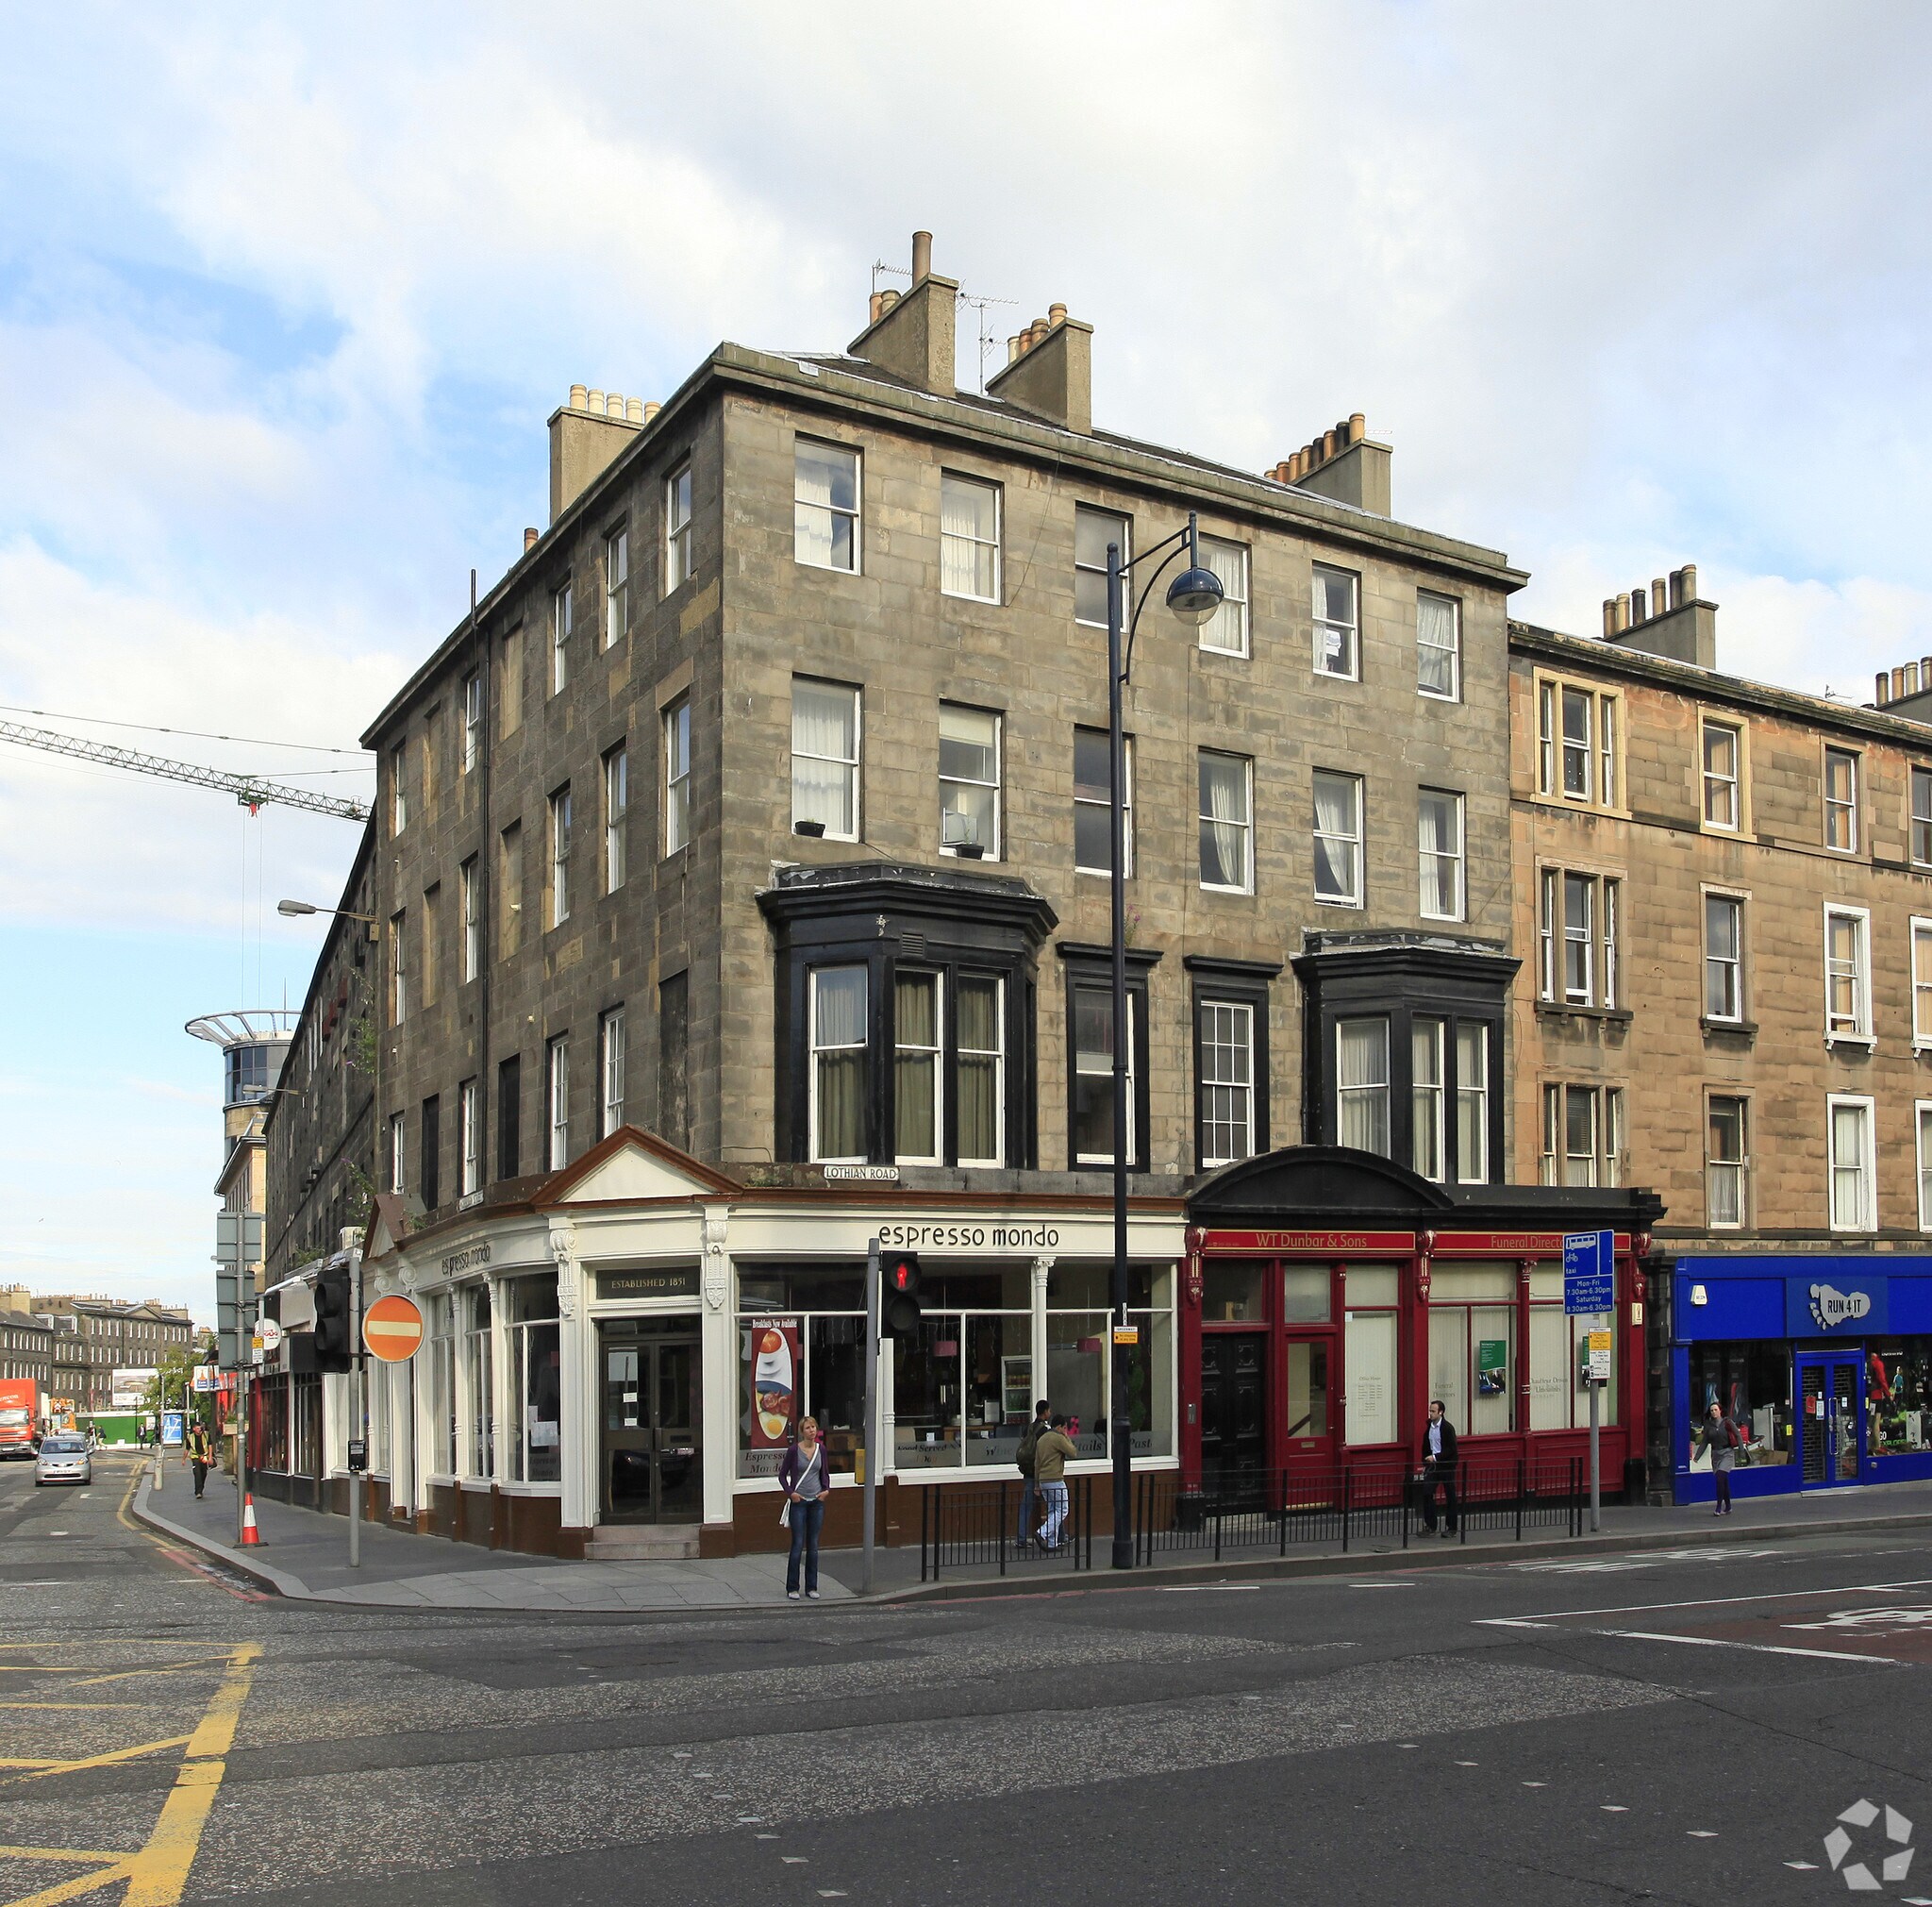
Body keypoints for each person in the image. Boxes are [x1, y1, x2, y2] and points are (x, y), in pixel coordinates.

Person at [779, 1416, 828, 1600]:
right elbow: (782, 1476)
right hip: (799, 1502)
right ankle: (792, 1587)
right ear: (802, 1431)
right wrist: (791, 1493)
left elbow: (825, 1473)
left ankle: (811, 1587)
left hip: (816, 1502)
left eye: (813, 1427)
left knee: (813, 1546)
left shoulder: (821, 1450)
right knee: (798, 1544)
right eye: (808, 1428)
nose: (811, 1430)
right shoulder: (794, 1451)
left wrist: (826, 1490)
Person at [1032, 1412, 1079, 1551]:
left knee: (1053, 1510)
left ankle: (1052, 1544)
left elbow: (1037, 1464)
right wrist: (1066, 1436)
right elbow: (1073, 1452)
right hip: (1055, 1479)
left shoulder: (1042, 1439)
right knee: (1063, 1510)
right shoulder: (1058, 1438)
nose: (1065, 1430)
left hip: (1043, 1480)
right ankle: (1042, 1533)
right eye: (1064, 1428)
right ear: (1059, 1427)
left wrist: (1037, 1484)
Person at [1014, 1399, 1051, 1548]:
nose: (1050, 1413)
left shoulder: (1028, 1428)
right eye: (1049, 1410)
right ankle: (1059, 1536)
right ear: (1045, 1412)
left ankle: (1021, 1538)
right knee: (1055, 1505)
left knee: (1026, 1506)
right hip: (1041, 1473)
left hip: (1028, 1472)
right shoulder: (1045, 1430)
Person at [1420, 1398, 1459, 1536]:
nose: (1430, 1413)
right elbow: (1425, 1447)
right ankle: (1430, 1526)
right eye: (1430, 1411)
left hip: (1446, 1466)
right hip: (1433, 1466)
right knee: (1427, 1492)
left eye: (1433, 1411)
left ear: (1441, 1412)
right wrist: (1426, 1463)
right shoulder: (1429, 1428)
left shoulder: (1448, 1428)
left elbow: (1451, 1449)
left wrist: (1436, 1457)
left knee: (1450, 1495)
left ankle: (1451, 1527)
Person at [1701, 1399, 1740, 1515]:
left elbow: (1737, 1435)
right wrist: (1697, 1456)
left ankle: (1718, 1507)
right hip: (1716, 1454)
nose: (1713, 1412)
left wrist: (1742, 1451)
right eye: (1712, 1410)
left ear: (1720, 1411)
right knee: (1723, 1481)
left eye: (1715, 1410)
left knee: (1720, 1477)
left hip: (1727, 1453)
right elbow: (1704, 1441)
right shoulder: (1708, 1425)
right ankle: (1728, 1506)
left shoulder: (1727, 1422)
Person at [186, 1417, 213, 1499]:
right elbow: (187, 1448)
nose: (199, 1430)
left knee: (204, 1473)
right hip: (195, 1457)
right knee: (197, 1473)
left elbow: (210, 1446)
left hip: (204, 1456)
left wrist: (210, 1457)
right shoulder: (190, 1437)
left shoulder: (206, 1435)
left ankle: (201, 1487)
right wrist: (183, 1459)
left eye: (200, 1428)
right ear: (194, 1429)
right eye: (197, 1428)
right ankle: (198, 1492)